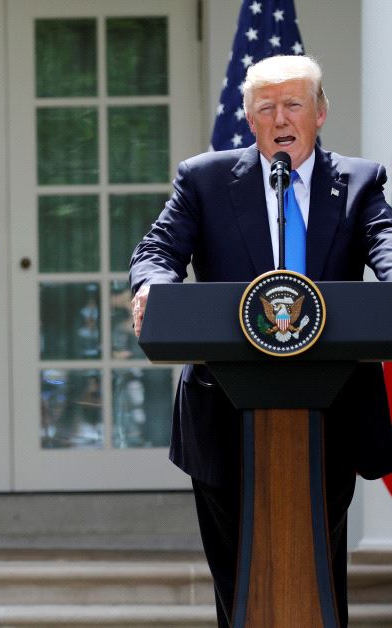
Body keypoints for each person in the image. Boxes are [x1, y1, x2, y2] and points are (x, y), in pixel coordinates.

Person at [129, 55, 392, 627]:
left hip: (331, 412)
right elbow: (157, 250)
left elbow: (385, 242)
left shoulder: (360, 181)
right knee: (238, 581)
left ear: (320, 113)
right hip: (223, 411)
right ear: (249, 120)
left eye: (293, 104)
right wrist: (152, 285)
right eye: (266, 108)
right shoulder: (204, 179)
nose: (280, 119)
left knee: (319, 571)